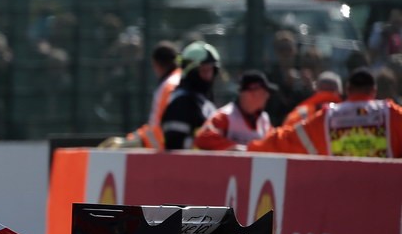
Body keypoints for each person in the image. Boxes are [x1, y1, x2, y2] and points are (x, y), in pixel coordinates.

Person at [247, 68, 402, 157]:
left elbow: (285, 140)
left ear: (347, 91)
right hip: (386, 194)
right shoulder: (391, 113)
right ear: (374, 92)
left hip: (337, 191)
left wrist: (251, 146)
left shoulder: (327, 117)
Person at [193, 70, 274, 151]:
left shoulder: (264, 120)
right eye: (264, 93)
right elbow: (203, 138)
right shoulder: (225, 116)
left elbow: (273, 144)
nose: (267, 97)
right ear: (251, 93)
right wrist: (234, 148)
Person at [160, 41, 219, 150]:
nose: (208, 76)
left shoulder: (204, 102)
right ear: (191, 72)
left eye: (211, 70)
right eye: (204, 70)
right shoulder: (181, 103)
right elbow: (174, 144)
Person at [147, 40, 181, 127]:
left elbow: (156, 126)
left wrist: (132, 139)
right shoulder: (184, 78)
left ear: (155, 64)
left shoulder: (166, 87)